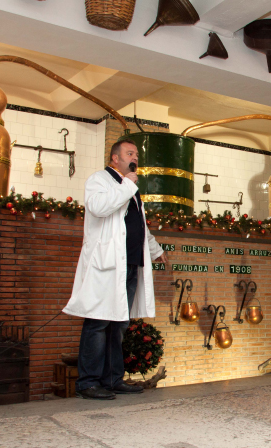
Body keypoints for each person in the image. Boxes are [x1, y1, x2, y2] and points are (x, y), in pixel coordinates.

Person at [64, 139, 168, 400]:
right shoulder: (100, 180)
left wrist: (156, 250)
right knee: (98, 322)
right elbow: (99, 208)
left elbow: (138, 226)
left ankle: (112, 378)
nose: (135, 157)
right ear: (115, 158)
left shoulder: (129, 188)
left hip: (130, 264)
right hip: (107, 264)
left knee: (119, 323)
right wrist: (127, 185)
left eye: (136, 154)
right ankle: (87, 382)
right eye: (130, 153)